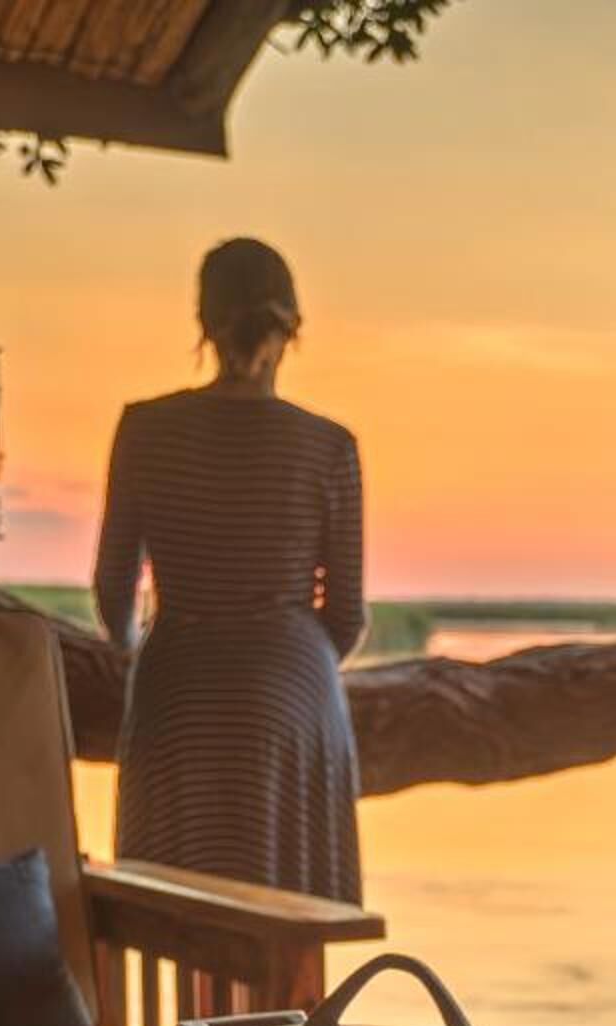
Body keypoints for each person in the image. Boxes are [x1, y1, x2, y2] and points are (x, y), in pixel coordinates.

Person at [93, 238, 365, 902]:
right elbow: (349, 615)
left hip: (178, 688)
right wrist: (286, 656)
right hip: (292, 694)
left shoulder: (145, 429)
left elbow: (111, 587)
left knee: (177, 911)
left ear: (205, 324)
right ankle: (292, 1009)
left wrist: (147, 651)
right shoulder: (329, 446)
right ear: (291, 328)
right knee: (290, 914)